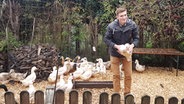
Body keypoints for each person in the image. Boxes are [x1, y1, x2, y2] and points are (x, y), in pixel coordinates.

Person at [104, 6, 139, 95]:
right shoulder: (111, 26)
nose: (124, 17)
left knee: (128, 75)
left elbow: (136, 38)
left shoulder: (132, 25)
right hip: (115, 53)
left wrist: (132, 45)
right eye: (121, 16)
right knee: (116, 75)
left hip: (127, 54)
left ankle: (127, 94)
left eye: (125, 15)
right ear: (117, 17)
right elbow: (106, 39)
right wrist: (116, 46)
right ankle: (116, 94)